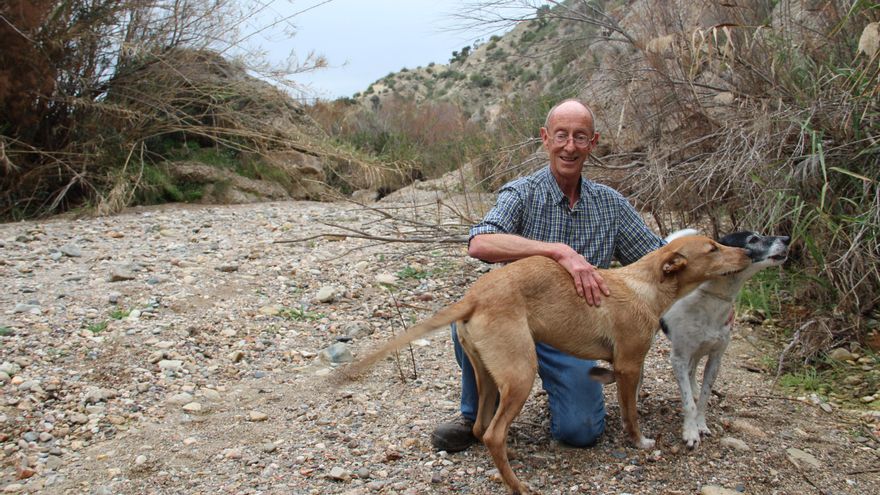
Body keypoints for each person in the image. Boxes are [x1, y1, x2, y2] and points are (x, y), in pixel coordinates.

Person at [431, 99, 665, 452]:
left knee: (580, 432)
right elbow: (480, 242)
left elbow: (660, 261)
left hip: (576, 337)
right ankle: (475, 414)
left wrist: (713, 294)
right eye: (561, 135)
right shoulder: (523, 192)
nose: (570, 146)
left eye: (580, 137)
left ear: (593, 143)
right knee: (468, 313)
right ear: (545, 138)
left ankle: (574, 384)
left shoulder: (612, 205)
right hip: (515, 323)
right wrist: (557, 250)